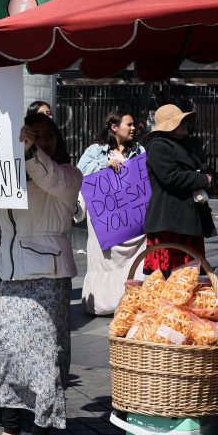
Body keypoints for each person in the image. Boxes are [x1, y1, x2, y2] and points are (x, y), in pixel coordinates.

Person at [0, 113, 82, 435]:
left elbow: (48, 176)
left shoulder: (68, 174)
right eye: (33, 135)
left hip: (47, 274)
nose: (41, 141)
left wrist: (28, 151)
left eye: (48, 135)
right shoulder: (5, 175)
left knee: (42, 358)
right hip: (11, 274)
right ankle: (10, 428)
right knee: (6, 350)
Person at [77, 110, 146, 315]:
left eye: (134, 125)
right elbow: (79, 173)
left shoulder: (139, 149)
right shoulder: (96, 150)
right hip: (104, 216)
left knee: (135, 258)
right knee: (104, 258)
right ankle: (104, 302)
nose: (133, 128)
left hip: (130, 214)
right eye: (129, 124)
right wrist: (104, 164)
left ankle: (132, 299)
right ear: (114, 127)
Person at [142, 104, 213, 274]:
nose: (185, 125)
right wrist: (203, 179)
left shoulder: (184, 145)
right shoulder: (158, 146)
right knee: (169, 277)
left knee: (190, 275)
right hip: (170, 222)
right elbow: (171, 177)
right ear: (170, 126)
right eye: (180, 122)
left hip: (187, 220)